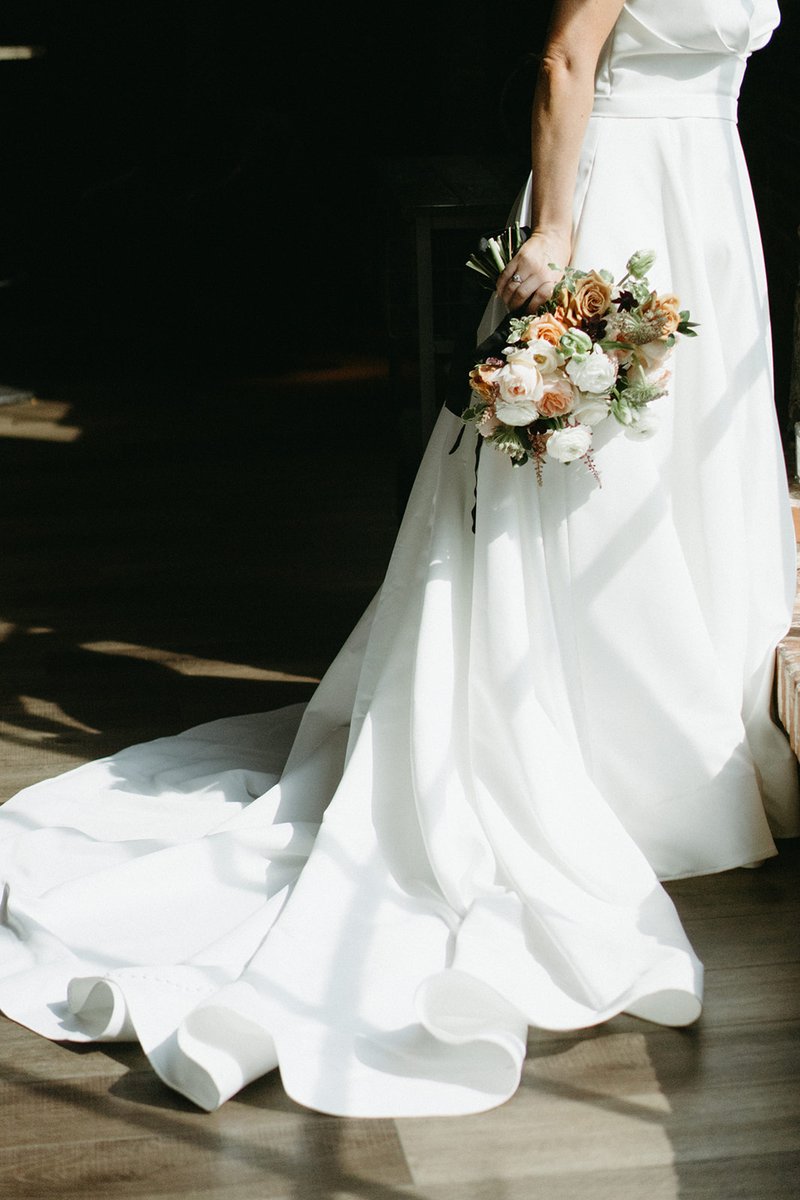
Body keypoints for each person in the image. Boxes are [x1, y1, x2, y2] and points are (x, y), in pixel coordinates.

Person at [0, 0, 797, 1118]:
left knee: (690, 489)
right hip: (622, 202)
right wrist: (556, 228)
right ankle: (613, 765)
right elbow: (566, 56)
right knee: (594, 493)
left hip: (710, 200)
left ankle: (710, 748)